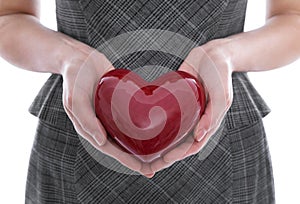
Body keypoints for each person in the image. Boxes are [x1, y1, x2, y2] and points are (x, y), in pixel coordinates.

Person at [1, 0, 299, 203]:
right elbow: (9, 16)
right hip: (78, 137)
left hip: (221, 144)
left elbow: (292, 18)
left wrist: (226, 54)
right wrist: (68, 57)